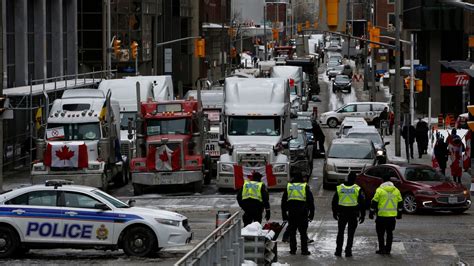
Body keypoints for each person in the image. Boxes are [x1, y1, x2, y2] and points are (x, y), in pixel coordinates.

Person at [332, 172, 366, 257]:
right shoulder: (357, 188)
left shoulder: (340, 187)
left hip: (342, 213)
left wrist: (334, 212)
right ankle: (348, 251)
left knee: (340, 232)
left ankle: (338, 251)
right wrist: (363, 215)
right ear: (355, 179)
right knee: (351, 234)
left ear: (347, 178)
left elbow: (334, 201)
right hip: (353, 214)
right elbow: (362, 203)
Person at [281, 173, 315, 255]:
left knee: (292, 233)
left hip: (292, 213)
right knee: (303, 233)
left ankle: (293, 250)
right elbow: (310, 201)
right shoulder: (304, 187)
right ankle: (304, 250)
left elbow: (283, 202)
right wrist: (311, 214)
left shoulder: (289, 187)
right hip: (303, 213)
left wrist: (284, 214)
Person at [369, 175, 403, 255]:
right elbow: (400, 203)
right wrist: (399, 214)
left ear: (382, 181)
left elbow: (374, 202)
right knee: (389, 233)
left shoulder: (379, 190)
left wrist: (371, 213)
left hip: (381, 216)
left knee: (380, 234)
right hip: (392, 217)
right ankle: (388, 249)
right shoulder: (396, 190)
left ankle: (381, 249)